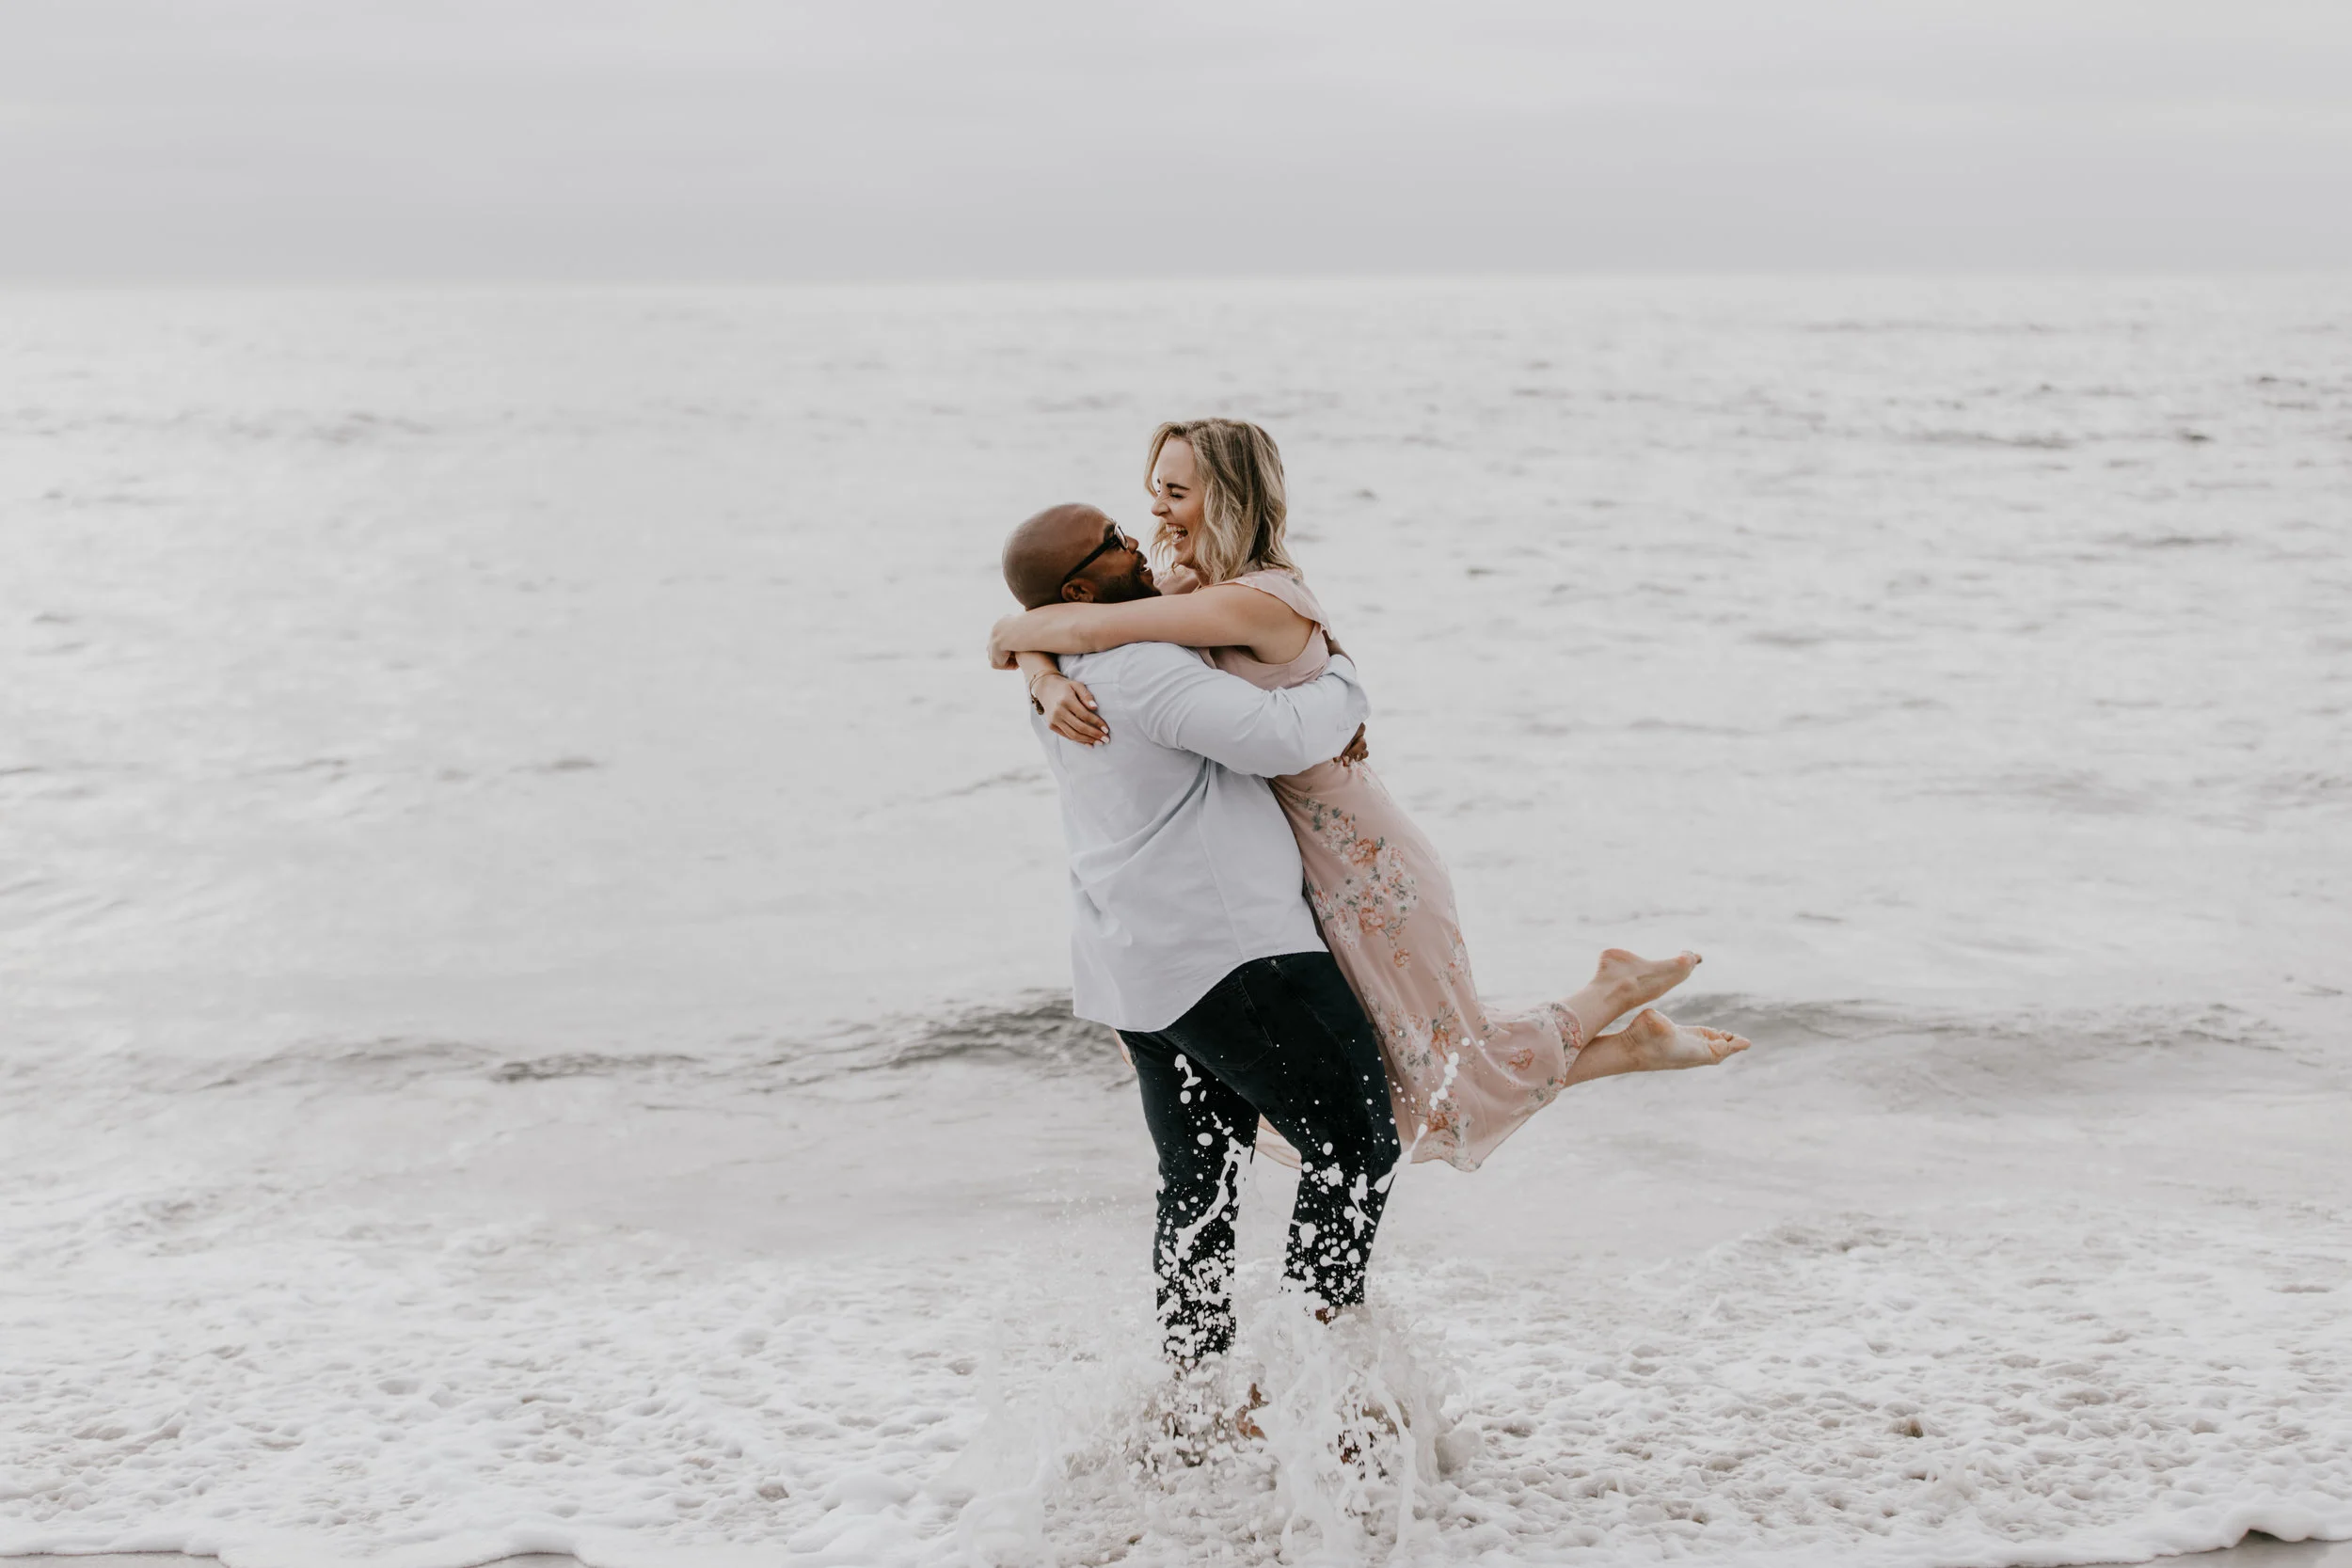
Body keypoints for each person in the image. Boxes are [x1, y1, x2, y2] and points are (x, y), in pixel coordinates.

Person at [991, 420, 1751, 1175]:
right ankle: (1620, 1019)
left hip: (1360, 852)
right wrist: (1042, 674)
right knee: (1411, 1073)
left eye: (1175, 492)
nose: (1155, 511)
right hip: (1308, 861)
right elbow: (1041, 623)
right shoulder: (1192, 592)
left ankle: (1613, 1006)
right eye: (1154, 490)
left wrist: (1345, 683)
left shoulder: (1257, 600)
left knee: (1433, 1070)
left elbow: (1068, 621)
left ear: (1226, 498)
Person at [998, 500, 1401, 1364]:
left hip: (1138, 973)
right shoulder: (1142, 667)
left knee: (1198, 1185)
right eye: (1112, 544)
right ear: (1078, 590)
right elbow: (1284, 738)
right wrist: (1342, 673)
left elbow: (1018, 634)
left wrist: (1032, 661)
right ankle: (1314, 1375)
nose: (1133, 542)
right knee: (1358, 1143)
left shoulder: (1064, 671)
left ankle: (1197, 1399)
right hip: (1234, 953)